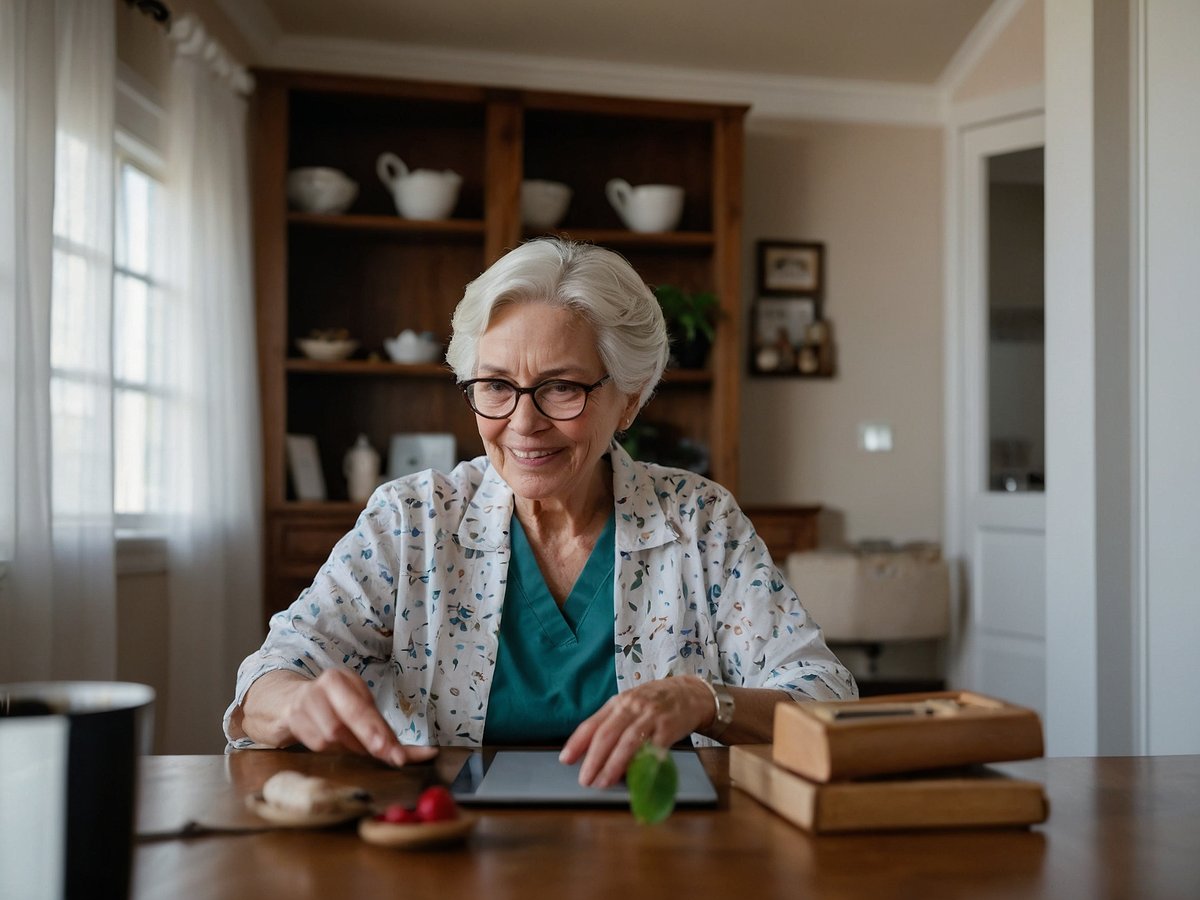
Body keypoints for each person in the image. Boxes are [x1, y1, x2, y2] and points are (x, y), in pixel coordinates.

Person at [224, 237, 856, 789]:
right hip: (450, 845)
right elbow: (268, 680)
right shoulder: (412, 520)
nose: (523, 423)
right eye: (496, 386)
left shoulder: (700, 522)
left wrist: (704, 699)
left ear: (629, 400)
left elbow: (825, 698)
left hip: (663, 843)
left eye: (561, 387)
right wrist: (296, 704)